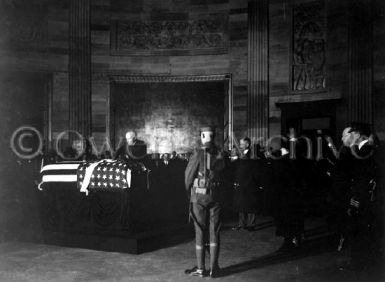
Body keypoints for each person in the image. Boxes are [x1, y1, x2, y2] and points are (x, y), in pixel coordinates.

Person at [184, 127, 225, 278]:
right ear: (213, 137)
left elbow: (188, 176)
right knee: (215, 230)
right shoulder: (220, 154)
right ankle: (214, 268)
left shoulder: (198, 153)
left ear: (202, 136)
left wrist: (189, 192)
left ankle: (201, 268)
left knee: (200, 231)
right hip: (216, 196)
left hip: (199, 197)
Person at [232, 137, 261, 231]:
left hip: (250, 183)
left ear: (247, 144)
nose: (239, 146)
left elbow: (255, 170)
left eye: (241, 144)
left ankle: (251, 225)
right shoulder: (239, 155)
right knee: (240, 204)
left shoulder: (253, 155)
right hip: (240, 183)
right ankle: (241, 224)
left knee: (250, 204)